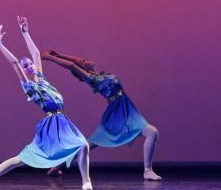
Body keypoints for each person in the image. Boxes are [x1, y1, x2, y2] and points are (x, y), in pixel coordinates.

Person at [0, 17, 92, 190]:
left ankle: (86, 181)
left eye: (30, 64)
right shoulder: (29, 85)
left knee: (83, 145)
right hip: (51, 124)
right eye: (27, 65)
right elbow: (14, 63)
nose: (30, 66)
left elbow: (36, 54)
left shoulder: (42, 79)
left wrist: (25, 32)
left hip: (63, 121)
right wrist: (0, 44)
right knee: (22, 159)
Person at [42, 49, 161, 180]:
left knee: (152, 132)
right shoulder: (92, 79)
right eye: (84, 61)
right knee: (88, 145)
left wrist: (60, 54)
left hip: (128, 109)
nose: (85, 59)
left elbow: (75, 61)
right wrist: (50, 58)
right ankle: (58, 166)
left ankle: (147, 171)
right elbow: (72, 66)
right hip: (116, 113)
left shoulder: (101, 75)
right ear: (83, 68)